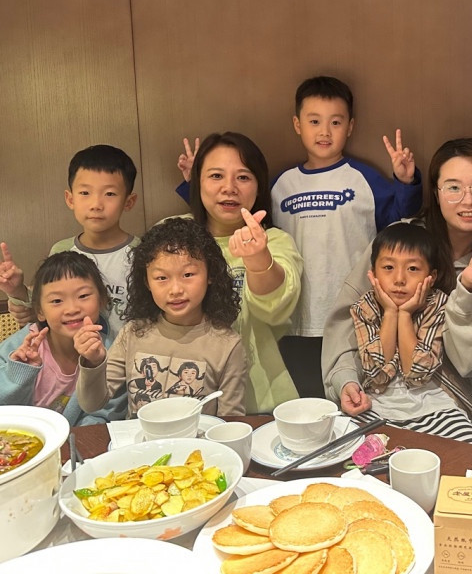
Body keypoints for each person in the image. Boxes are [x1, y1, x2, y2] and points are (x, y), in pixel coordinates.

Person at [322, 137, 472, 436]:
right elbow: (346, 318)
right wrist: (345, 381)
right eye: (453, 188)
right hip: (375, 395)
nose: (469, 200)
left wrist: (470, 289)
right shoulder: (398, 242)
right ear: (436, 193)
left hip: (449, 410)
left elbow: (469, 365)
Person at [271, 76, 423, 397]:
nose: (325, 132)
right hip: (295, 321)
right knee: (307, 403)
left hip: (354, 317)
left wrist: (405, 182)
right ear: (297, 124)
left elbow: (401, 222)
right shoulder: (281, 184)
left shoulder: (364, 179)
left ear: (350, 126)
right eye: (314, 121)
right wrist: (195, 186)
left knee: (351, 399)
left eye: (336, 122)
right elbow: (237, 220)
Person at [75, 217, 246, 417]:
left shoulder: (227, 345)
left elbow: (230, 420)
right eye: (162, 278)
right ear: (147, 282)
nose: (175, 290)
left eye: (188, 275)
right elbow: (92, 404)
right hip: (140, 437)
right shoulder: (133, 333)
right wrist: (93, 362)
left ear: (210, 275)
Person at [186, 131, 302, 413]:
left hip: (259, 401)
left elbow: (275, 308)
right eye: (216, 176)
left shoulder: (274, 241)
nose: (229, 188)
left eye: (243, 177)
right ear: (197, 182)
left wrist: (258, 258)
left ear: (259, 186)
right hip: (185, 394)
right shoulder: (175, 235)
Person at [348, 223, 472, 443]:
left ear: (431, 276)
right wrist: (390, 313)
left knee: (471, 445)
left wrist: (404, 315)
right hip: (377, 404)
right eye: (388, 267)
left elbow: (418, 374)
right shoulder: (364, 307)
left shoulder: (438, 304)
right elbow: (376, 375)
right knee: (350, 445)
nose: (399, 279)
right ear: (373, 273)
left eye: (412, 269)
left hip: (433, 403)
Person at [0, 144, 139, 338]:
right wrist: (17, 291)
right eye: (85, 193)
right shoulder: (62, 250)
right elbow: (46, 308)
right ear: (70, 199)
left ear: (128, 202)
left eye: (109, 194)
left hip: (129, 353)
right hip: (73, 355)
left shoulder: (141, 252)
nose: (96, 204)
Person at [0, 251, 126, 425]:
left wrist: (95, 364)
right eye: (57, 301)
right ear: (40, 311)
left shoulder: (113, 352)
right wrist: (18, 373)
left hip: (78, 440)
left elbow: (105, 414)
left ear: (102, 300)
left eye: (83, 296)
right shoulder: (19, 348)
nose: (72, 309)